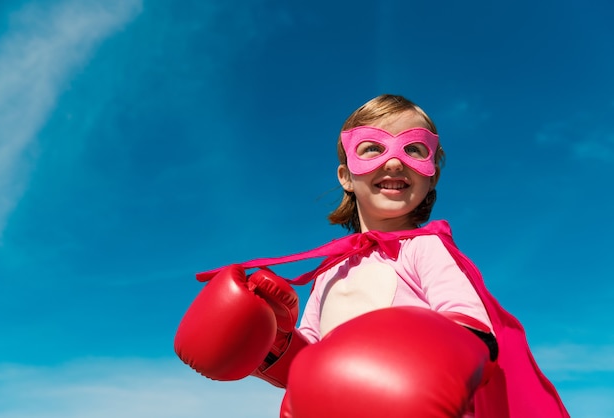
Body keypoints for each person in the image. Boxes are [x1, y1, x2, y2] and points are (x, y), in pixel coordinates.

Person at [174, 94, 570, 418]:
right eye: (372, 149)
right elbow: (306, 368)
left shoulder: (422, 249)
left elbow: (474, 333)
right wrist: (272, 340)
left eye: (414, 149)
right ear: (346, 176)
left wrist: (416, 374)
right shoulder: (329, 273)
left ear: (431, 174)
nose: (394, 161)